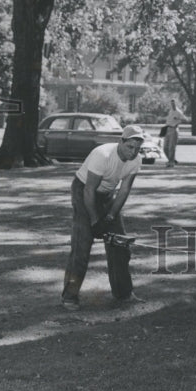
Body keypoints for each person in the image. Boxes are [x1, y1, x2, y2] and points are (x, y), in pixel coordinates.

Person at [61, 124, 146, 309]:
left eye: (137, 148)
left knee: (120, 244)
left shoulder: (136, 160)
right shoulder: (103, 155)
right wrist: (94, 221)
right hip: (83, 190)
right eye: (130, 147)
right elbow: (89, 190)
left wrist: (109, 218)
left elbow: (123, 191)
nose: (133, 152)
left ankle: (123, 293)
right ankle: (69, 296)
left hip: (107, 195)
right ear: (121, 141)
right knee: (82, 244)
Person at [162, 98, 188, 168]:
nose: (172, 105)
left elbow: (186, 120)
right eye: (171, 103)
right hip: (167, 129)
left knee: (171, 147)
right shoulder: (170, 111)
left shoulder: (178, 112)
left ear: (176, 104)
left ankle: (171, 162)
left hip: (174, 129)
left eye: (173, 103)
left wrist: (178, 119)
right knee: (165, 148)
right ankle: (172, 160)